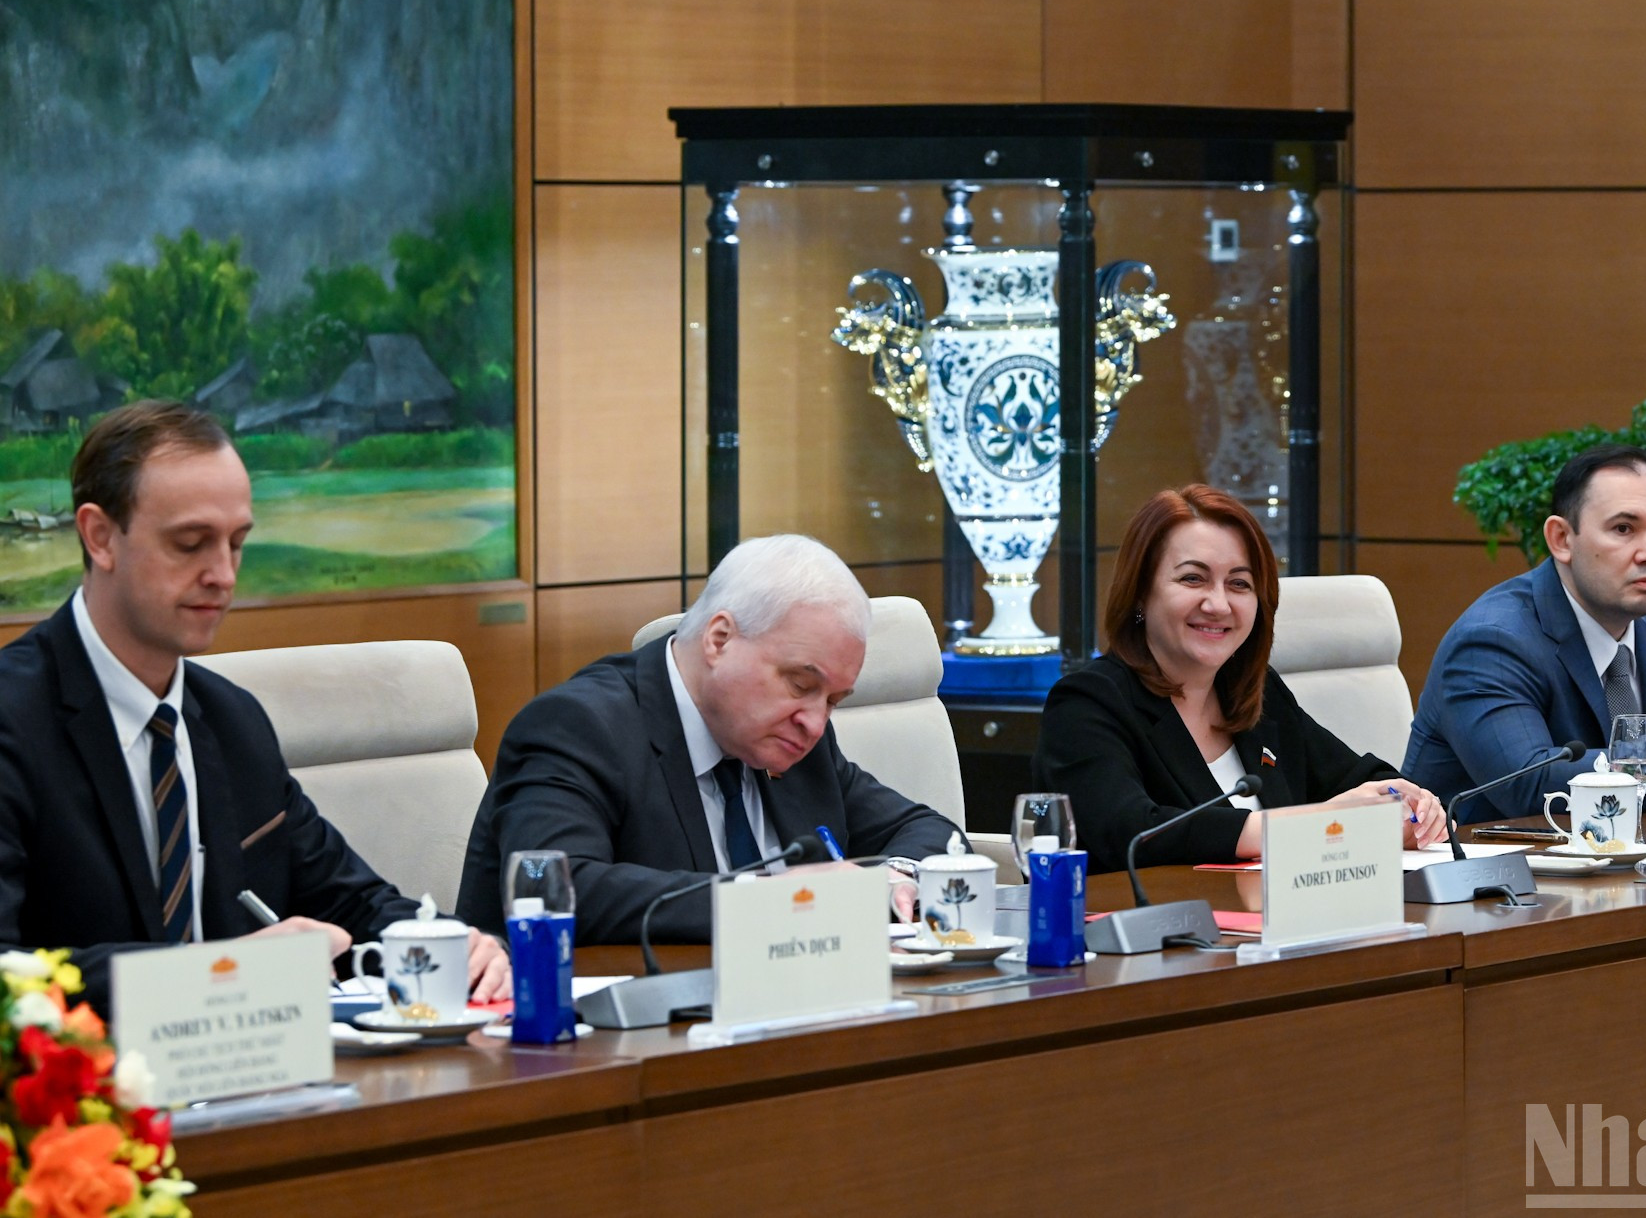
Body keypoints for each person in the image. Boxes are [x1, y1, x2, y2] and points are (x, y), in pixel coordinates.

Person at [0, 401, 509, 1004]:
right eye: (191, 544)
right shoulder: (14, 719)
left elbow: (349, 897)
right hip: (75, 1087)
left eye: (236, 543)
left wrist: (448, 944)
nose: (223, 574)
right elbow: (8, 970)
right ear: (100, 536)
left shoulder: (231, 721)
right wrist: (214, 971)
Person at [456, 534, 962, 943]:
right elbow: (560, 891)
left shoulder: (795, 741)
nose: (814, 720)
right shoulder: (578, 725)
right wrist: (774, 898)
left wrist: (895, 874)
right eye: (801, 685)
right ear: (719, 639)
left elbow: (931, 831)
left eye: (833, 700)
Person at [1031, 485, 1449, 875]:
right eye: (1192, 578)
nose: (1218, 604)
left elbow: (1356, 778)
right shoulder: (1088, 702)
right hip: (1150, 941)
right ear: (1140, 593)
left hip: (1275, 932)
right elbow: (1132, 832)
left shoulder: (1254, 693)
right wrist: (1321, 822)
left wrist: (1408, 804)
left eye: (1239, 584)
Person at [1402, 442, 1646, 822]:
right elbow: (1529, 785)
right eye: (1624, 529)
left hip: (1631, 871)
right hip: (1490, 881)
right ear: (1562, 539)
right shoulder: (1492, 642)